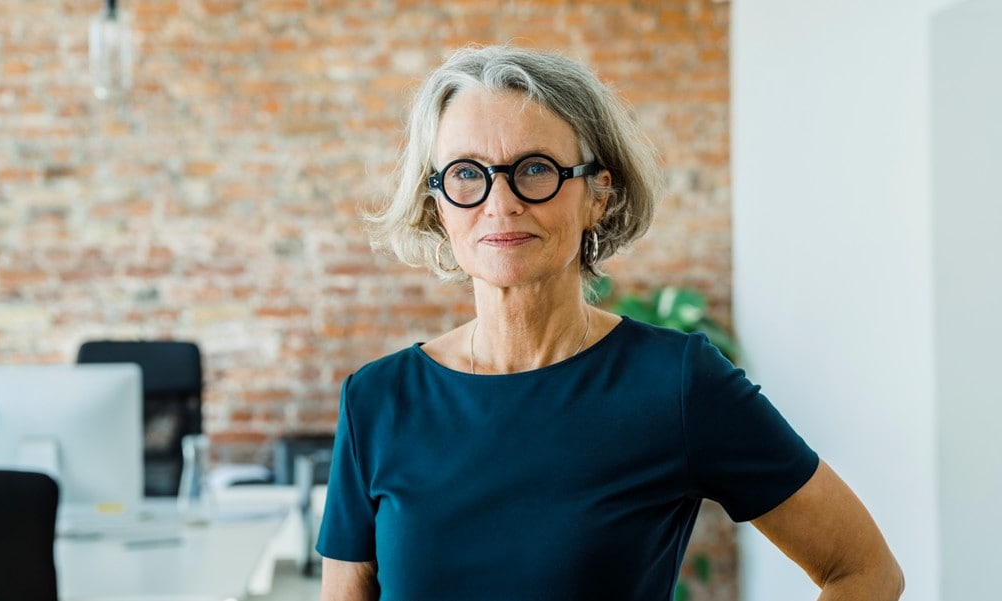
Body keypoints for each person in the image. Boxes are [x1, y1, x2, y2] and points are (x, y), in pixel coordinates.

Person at [315, 44, 903, 600]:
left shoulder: (675, 383)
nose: (501, 202)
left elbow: (865, 571)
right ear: (437, 204)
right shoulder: (376, 400)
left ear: (598, 194)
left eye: (536, 168)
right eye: (467, 174)